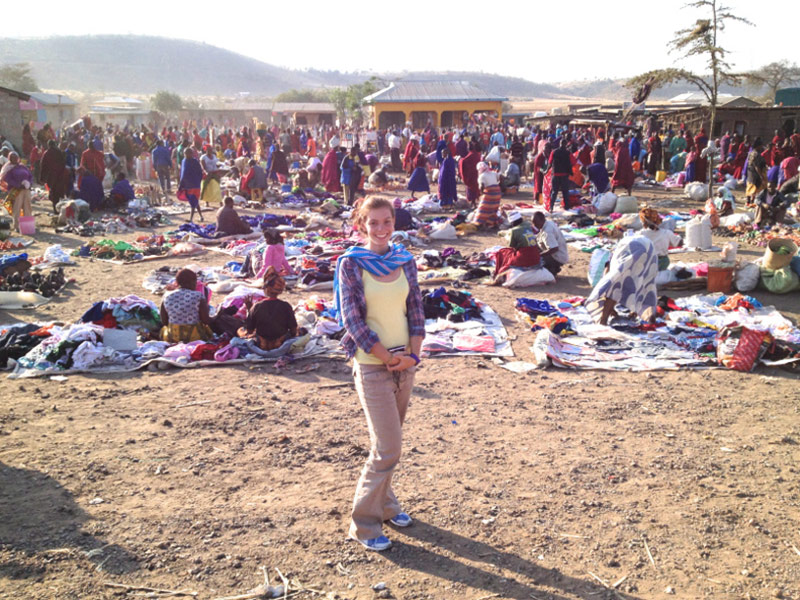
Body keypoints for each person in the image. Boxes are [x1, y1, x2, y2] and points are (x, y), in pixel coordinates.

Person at [334, 196, 424, 552]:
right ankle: (364, 522)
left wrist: (413, 356)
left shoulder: (405, 260)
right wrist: (386, 356)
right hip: (373, 364)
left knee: (391, 444)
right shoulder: (351, 264)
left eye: (387, 221)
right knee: (388, 447)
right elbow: (352, 319)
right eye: (373, 223)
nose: (382, 229)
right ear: (361, 225)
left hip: (404, 364)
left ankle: (386, 506)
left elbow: (415, 308)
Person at [586, 235, 658, 326]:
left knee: (615, 286)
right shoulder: (618, 253)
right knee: (646, 283)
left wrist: (609, 307)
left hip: (635, 246)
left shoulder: (613, 256)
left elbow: (611, 282)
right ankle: (650, 319)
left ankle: (603, 321)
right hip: (649, 248)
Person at [238, 267, 297, 351]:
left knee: (240, 330)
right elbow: (293, 331)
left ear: (266, 288)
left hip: (262, 345)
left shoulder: (256, 306)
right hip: (281, 344)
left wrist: (249, 309)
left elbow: (249, 330)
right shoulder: (286, 306)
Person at [160, 269, 213, 343]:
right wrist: (218, 316)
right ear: (194, 282)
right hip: (194, 337)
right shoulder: (198, 296)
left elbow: (164, 321)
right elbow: (206, 321)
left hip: (172, 337)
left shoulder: (166, 295)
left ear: (177, 282)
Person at [0, 153, 32, 233]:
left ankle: (27, 228)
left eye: (15, 157)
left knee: (27, 207)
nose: (14, 159)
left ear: (18, 157)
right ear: (9, 158)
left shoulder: (22, 166)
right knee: (17, 208)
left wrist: (29, 183)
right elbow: (7, 179)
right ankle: (17, 226)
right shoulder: (8, 168)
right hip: (16, 190)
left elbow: (30, 176)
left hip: (26, 189)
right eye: (12, 157)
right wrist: (18, 185)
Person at [39, 140, 71, 213]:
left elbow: (43, 165)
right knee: (60, 192)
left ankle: (55, 209)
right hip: (60, 175)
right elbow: (63, 163)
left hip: (51, 177)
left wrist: (42, 178)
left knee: (53, 192)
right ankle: (61, 209)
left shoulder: (46, 153)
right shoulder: (59, 152)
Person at [532, 211, 568, 276]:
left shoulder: (547, 232)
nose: (534, 225)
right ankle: (553, 267)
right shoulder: (548, 223)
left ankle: (551, 268)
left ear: (542, 220)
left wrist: (539, 255)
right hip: (561, 253)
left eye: (535, 223)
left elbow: (554, 248)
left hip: (557, 256)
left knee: (535, 261)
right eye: (533, 223)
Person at [471, 162, 502, 228]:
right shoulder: (493, 173)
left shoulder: (482, 176)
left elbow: (481, 186)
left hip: (490, 192)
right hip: (497, 192)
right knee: (493, 208)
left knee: (483, 208)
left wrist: (482, 193)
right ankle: (490, 223)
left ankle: (479, 222)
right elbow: (500, 177)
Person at [178, 148, 204, 223]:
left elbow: (200, 172)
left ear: (192, 154)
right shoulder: (183, 161)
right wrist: (181, 184)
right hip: (187, 185)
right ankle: (201, 216)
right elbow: (182, 174)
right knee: (195, 201)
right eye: (185, 153)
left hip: (194, 184)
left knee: (193, 201)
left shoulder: (195, 162)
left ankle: (191, 219)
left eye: (188, 153)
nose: (186, 155)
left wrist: (198, 181)